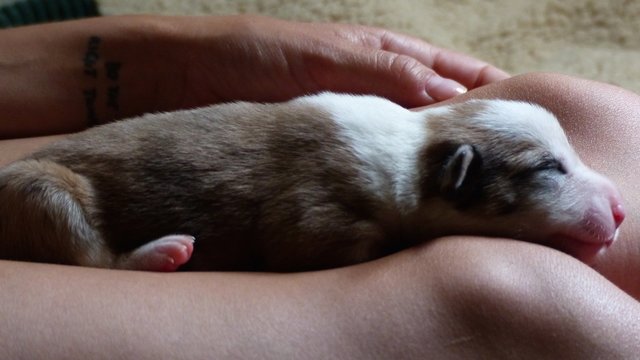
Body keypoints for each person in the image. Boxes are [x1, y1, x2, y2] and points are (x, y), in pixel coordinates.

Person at [0, 14, 639, 359]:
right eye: (553, 170)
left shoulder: (372, 150)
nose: (603, 195)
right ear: (456, 179)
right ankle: (106, 268)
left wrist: (159, 60)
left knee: (590, 120)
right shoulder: (354, 184)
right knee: (521, 307)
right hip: (49, 192)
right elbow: (302, 235)